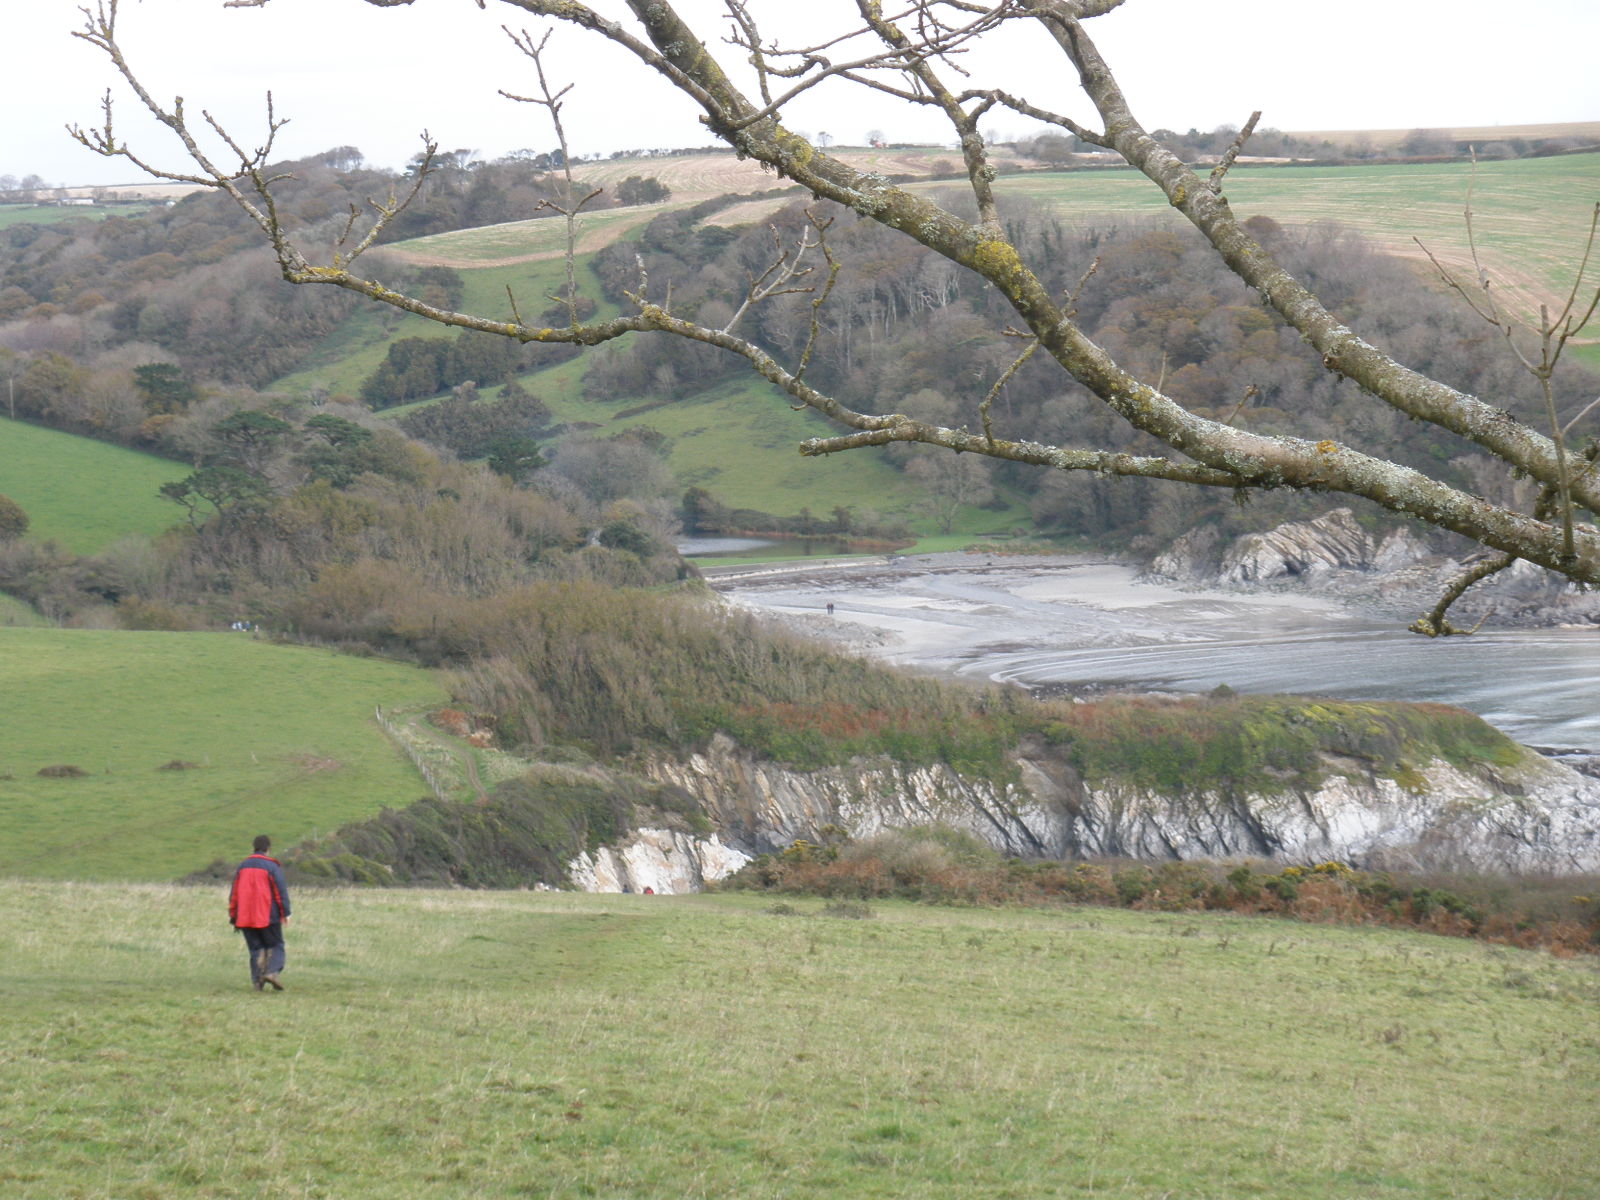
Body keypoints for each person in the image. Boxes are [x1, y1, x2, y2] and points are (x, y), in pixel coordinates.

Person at [229, 834, 291, 991]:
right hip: (268, 915)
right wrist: (286, 912)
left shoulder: (243, 866)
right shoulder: (272, 867)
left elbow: (234, 893)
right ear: (268, 849)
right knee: (276, 945)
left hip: (244, 916)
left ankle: (258, 981)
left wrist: (233, 916)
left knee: (256, 948)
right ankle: (271, 972)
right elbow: (280, 892)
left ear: (254, 848)